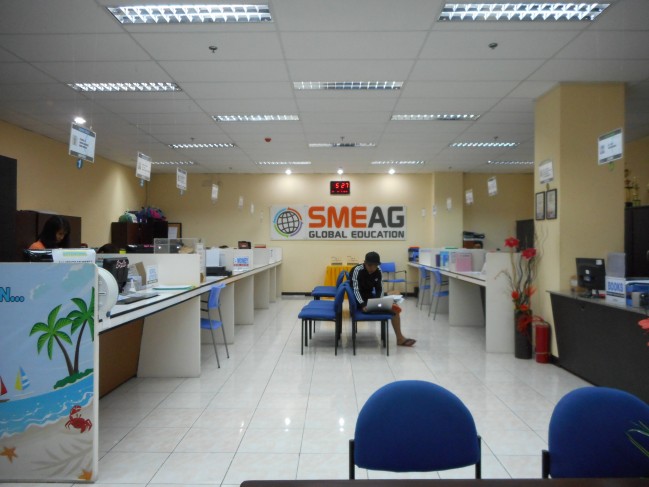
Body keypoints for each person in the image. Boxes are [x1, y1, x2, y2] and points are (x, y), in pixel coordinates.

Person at [350, 251, 416, 347]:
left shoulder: (378, 271)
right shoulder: (357, 270)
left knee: (395, 309)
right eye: (370, 265)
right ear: (364, 262)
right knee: (391, 306)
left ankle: (400, 339)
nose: (372, 268)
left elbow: (379, 288)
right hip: (359, 302)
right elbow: (355, 290)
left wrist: (378, 301)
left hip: (370, 300)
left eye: (375, 265)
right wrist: (363, 304)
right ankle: (400, 338)